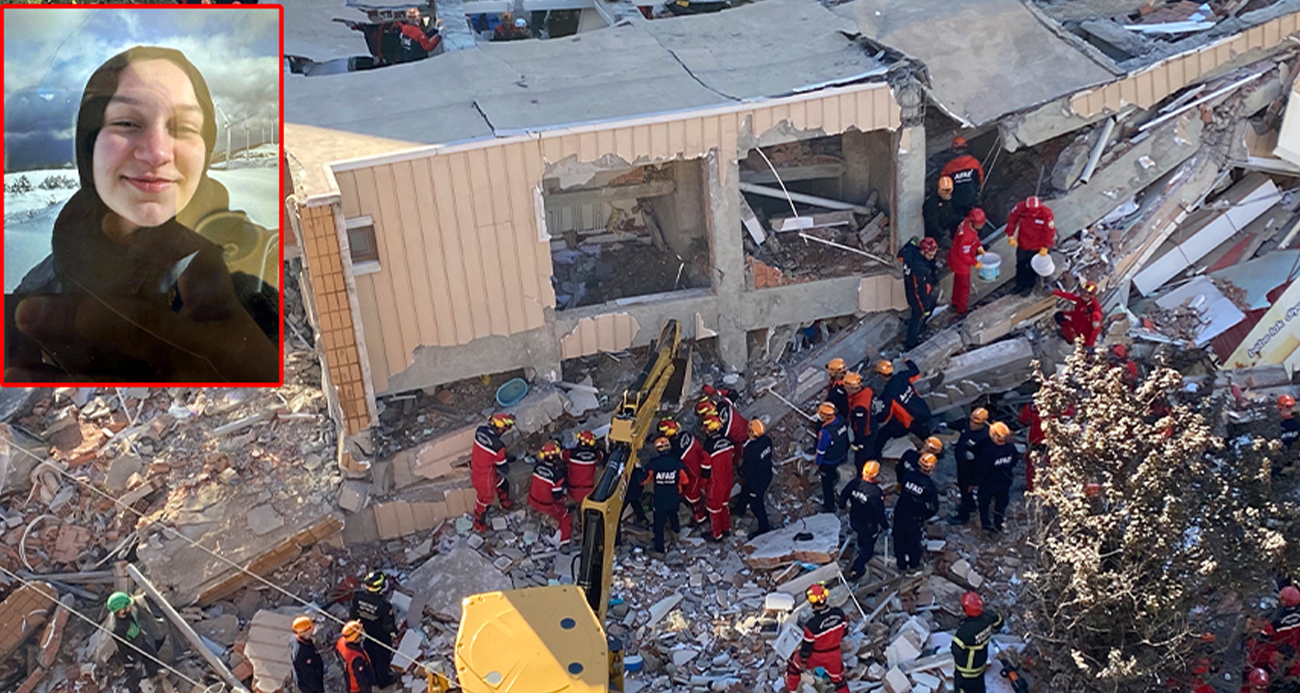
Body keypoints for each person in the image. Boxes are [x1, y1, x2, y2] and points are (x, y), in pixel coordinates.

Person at [8, 46, 278, 384]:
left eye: (184, 127)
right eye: (127, 122)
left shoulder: (273, 266)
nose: (157, 152)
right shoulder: (35, 299)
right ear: (89, 146)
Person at [784, 585, 850, 693]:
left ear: (811, 602)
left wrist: (803, 661)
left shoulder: (812, 625)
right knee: (839, 681)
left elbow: (806, 648)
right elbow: (845, 631)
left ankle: (792, 690)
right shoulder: (839, 614)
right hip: (834, 655)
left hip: (816, 655)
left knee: (793, 666)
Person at [874, 359, 934, 461]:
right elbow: (916, 373)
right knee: (925, 435)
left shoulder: (888, 394)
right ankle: (937, 451)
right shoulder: (902, 376)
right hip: (923, 411)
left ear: (881, 375)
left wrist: (874, 418)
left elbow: (886, 415)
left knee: (882, 434)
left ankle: (875, 457)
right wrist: (908, 361)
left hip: (909, 422)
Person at [838, 460, 888, 581]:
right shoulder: (875, 493)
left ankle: (859, 546)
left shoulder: (855, 483)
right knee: (867, 550)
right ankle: (856, 570)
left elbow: (843, 496)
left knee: (861, 538)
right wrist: (885, 526)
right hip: (868, 526)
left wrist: (842, 507)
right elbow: (879, 512)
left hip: (854, 519)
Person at [349, 571, 398, 689]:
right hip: (381, 636)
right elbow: (388, 625)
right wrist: (395, 632)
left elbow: (353, 616)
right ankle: (383, 681)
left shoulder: (357, 596)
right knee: (383, 658)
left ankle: (373, 678)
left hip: (366, 632)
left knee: (370, 655)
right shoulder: (383, 605)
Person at [107, 591, 166, 686]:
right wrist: (133, 661)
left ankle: (153, 676)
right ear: (121, 611)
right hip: (131, 652)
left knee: (152, 658)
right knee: (135, 674)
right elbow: (122, 648)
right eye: (128, 606)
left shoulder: (126, 614)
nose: (130, 606)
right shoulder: (117, 628)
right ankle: (134, 689)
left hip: (140, 642)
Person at [893, 453, 939, 572]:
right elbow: (934, 508)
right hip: (915, 518)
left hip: (900, 513)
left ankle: (901, 565)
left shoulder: (908, 476)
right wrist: (924, 515)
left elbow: (901, 483)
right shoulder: (929, 486)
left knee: (899, 540)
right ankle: (914, 566)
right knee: (913, 543)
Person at [471, 413, 516, 531]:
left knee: (502, 484)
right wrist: (507, 462)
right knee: (484, 501)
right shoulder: (498, 446)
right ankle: (479, 525)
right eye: (505, 427)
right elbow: (503, 467)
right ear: (500, 428)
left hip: (476, 470)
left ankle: (505, 504)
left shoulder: (480, 430)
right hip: (486, 478)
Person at [951, 592, 1003, 693]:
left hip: (966, 670)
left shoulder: (965, 631)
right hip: (980, 663)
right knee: (979, 688)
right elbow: (999, 622)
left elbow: (956, 650)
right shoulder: (988, 618)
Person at [1006, 196, 1056, 296]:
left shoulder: (1046, 214)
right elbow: (1012, 220)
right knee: (1020, 264)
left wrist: (1045, 246)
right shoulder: (1020, 208)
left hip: (1037, 246)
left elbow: (1050, 232)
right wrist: (1010, 235)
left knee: (1031, 268)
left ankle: (1029, 286)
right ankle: (1019, 284)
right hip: (1022, 243)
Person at [646, 436, 688, 555]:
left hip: (660, 499)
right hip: (674, 497)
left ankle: (659, 550)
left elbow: (644, 480)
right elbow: (685, 481)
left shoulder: (653, 464)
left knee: (658, 525)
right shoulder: (677, 463)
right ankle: (676, 534)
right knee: (673, 515)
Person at [528, 442, 574, 549]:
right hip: (547, 505)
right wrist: (565, 499)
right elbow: (557, 496)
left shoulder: (537, 467)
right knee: (566, 516)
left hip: (532, 500)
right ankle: (564, 542)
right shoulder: (557, 475)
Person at [975, 422, 1017, 535]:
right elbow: (1014, 462)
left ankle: (986, 524)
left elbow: (982, 470)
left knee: (984, 504)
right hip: (1004, 482)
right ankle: (998, 525)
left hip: (988, 483)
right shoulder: (1011, 448)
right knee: (1001, 505)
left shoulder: (988, 452)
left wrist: (975, 482)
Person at [662, 417, 707, 524]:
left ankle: (700, 518)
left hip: (694, 473)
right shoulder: (686, 435)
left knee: (693, 495)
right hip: (702, 462)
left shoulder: (675, 450)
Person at [899, 237, 939, 349]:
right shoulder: (919, 270)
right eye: (930, 256)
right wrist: (925, 308)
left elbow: (904, 252)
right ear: (923, 252)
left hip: (913, 286)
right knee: (917, 317)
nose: (933, 258)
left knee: (931, 305)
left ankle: (920, 328)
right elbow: (919, 292)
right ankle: (911, 342)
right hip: (915, 295)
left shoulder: (911, 251)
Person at [736, 419, 773, 538]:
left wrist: (740, 469)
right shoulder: (767, 441)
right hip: (766, 474)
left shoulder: (752, 449)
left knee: (756, 504)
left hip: (756, 481)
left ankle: (764, 527)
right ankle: (740, 508)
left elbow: (747, 470)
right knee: (745, 491)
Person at [953, 408, 990, 524]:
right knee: (962, 486)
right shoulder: (967, 425)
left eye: (976, 424)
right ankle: (970, 505)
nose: (972, 425)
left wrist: (974, 457)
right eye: (972, 422)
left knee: (966, 489)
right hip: (962, 464)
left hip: (972, 467)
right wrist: (946, 425)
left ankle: (964, 515)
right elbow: (959, 425)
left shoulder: (984, 437)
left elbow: (986, 458)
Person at [700, 414, 734, 540]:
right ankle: (726, 529)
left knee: (714, 509)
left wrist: (703, 485)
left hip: (716, 483)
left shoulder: (708, 447)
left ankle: (716, 535)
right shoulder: (729, 441)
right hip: (728, 479)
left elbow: (706, 469)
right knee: (725, 505)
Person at [948, 208, 986, 316]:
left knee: (957, 283)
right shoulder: (966, 236)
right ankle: (962, 310)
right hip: (961, 263)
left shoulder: (966, 223)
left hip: (956, 258)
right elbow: (964, 254)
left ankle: (955, 303)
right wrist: (975, 262)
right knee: (964, 287)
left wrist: (978, 246)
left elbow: (974, 238)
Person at [814, 402, 850, 513]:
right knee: (832, 472)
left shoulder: (825, 433)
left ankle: (829, 505)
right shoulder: (841, 420)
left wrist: (817, 464)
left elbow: (821, 452)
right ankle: (835, 476)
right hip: (841, 453)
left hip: (829, 460)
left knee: (826, 484)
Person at [940, 137, 985, 217]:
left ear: (953, 150)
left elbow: (943, 186)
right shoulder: (974, 163)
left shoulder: (948, 168)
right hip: (972, 198)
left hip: (955, 202)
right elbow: (980, 179)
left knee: (956, 222)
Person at [1053, 281, 1102, 347]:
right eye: (1083, 292)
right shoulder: (1081, 299)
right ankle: (1067, 332)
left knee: (1074, 337)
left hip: (1082, 330)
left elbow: (1095, 330)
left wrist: (1090, 345)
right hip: (1075, 319)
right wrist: (1055, 292)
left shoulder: (1095, 311)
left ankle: (1070, 339)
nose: (1083, 296)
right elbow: (1070, 296)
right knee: (1059, 316)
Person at [844, 372, 876, 474]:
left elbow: (861, 426)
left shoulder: (859, 406)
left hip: (867, 432)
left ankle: (862, 474)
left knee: (861, 457)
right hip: (873, 422)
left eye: (847, 388)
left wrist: (858, 442)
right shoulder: (867, 391)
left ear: (853, 389)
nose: (845, 390)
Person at [564, 430, 604, 505]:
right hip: (589, 492)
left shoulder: (571, 453)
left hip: (573, 490)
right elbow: (601, 455)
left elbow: (561, 455)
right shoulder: (595, 455)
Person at [336, 621, 376, 693]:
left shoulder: (341, 642)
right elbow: (361, 680)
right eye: (360, 634)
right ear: (355, 638)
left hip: (348, 681)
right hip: (357, 688)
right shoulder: (356, 659)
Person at [290, 616, 325, 693]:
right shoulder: (301, 653)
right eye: (310, 629)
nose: (313, 630)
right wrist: (319, 689)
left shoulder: (295, 638)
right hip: (309, 688)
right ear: (304, 632)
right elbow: (308, 676)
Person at [924, 175, 963, 240]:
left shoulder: (956, 198)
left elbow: (958, 212)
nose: (946, 193)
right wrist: (942, 235)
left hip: (950, 227)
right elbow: (932, 222)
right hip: (937, 232)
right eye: (943, 191)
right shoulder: (932, 203)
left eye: (948, 190)